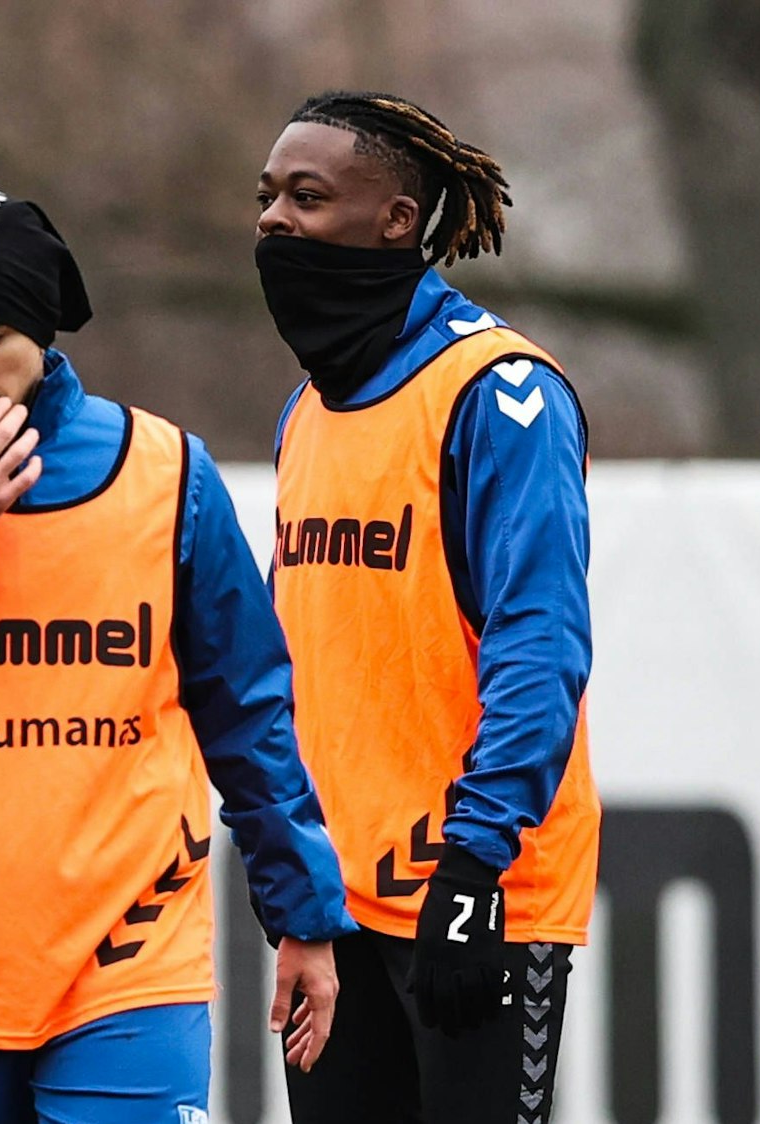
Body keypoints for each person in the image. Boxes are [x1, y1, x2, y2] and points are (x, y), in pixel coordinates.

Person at [0, 188, 354, 1124]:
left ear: (42, 328)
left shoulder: (164, 473)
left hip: (128, 963)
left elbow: (249, 714)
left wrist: (303, 916)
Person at [254, 91, 599, 1124]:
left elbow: (538, 645)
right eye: (266, 196)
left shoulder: (498, 393)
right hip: (335, 910)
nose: (273, 219)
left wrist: (473, 855)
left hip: (472, 894)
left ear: (396, 221)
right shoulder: (306, 409)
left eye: (306, 196)